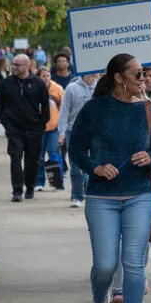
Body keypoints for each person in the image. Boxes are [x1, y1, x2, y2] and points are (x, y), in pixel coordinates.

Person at [69, 53, 151, 303]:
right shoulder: (94, 109)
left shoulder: (150, 110)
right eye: (137, 74)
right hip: (102, 197)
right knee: (105, 266)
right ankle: (100, 300)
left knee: (134, 265)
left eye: (145, 74)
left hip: (139, 196)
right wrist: (95, 168)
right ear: (118, 79)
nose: (144, 79)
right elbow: (75, 149)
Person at [0, 54, 50, 202]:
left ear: (26, 66)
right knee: (15, 158)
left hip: (34, 129)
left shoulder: (38, 83)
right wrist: (5, 123)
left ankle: (30, 186)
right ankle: (17, 190)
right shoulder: (7, 84)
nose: (13, 67)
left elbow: (45, 105)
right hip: (14, 129)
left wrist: (42, 124)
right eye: (13, 64)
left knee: (32, 161)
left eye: (17, 65)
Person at [59, 73, 100, 207]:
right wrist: (62, 132)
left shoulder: (101, 87)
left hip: (95, 133)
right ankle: (76, 196)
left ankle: (90, 193)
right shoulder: (71, 88)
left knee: (93, 164)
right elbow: (64, 111)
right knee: (76, 166)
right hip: (74, 132)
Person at [33, 67, 65, 192]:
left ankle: (57, 182)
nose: (46, 78)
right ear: (38, 77)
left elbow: (63, 109)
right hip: (38, 129)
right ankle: (39, 182)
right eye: (43, 76)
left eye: (48, 76)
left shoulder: (57, 89)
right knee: (39, 156)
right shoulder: (34, 88)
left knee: (54, 155)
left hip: (53, 128)